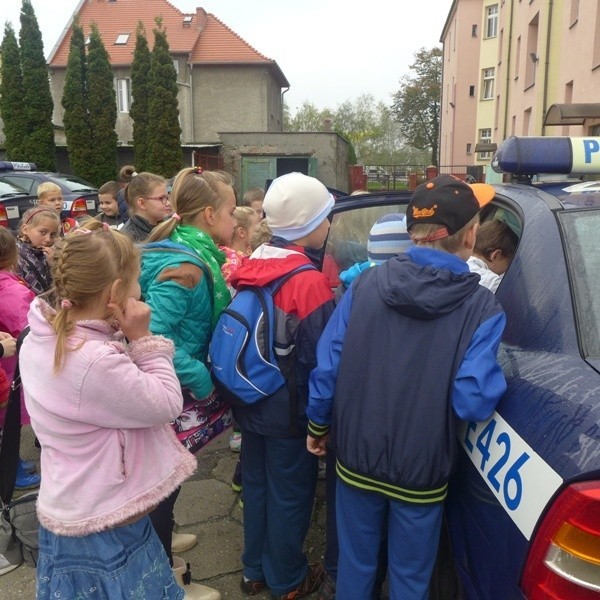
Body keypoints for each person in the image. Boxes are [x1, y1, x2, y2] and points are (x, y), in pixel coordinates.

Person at [306, 174, 507, 599]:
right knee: (411, 577)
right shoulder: (482, 307)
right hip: (423, 469)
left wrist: (318, 427)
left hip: (356, 457)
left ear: (412, 231)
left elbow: (328, 367)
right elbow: (471, 401)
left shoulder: (363, 285)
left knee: (356, 565)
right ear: (470, 236)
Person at [19, 221, 198, 599]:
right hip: (105, 518)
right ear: (117, 291)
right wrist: (143, 339)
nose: (141, 290)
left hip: (76, 499)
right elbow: (166, 402)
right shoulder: (93, 361)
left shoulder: (46, 336)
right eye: (136, 281)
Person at [230, 172, 335, 599]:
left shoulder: (254, 262)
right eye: (327, 215)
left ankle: (254, 569)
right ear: (309, 224)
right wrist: (320, 421)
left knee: (256, 486)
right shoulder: (308, 281)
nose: (330, 225)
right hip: (289, 410)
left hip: (251, 394)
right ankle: (288, 579)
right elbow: (321, 362)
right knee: (291, 494)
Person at [139, 166, 237, 600]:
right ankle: (166, 581)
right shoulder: (185, 266)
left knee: (171, 480)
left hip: (178, 385)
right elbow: (153, 336)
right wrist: (199, 378)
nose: (238, 221)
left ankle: (166, 535)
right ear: (211, 214)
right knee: (161, 483)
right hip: (173, 387)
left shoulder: (199, 254)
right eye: (234, 212)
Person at [318, 212, 413, 599]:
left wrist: (317, 424)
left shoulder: (352, 290)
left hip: (355, 438)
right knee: (409, 553)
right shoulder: (449, 297)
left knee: (355, 539)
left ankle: (340, 580)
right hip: (415, 447)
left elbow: (329, 365)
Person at [0, 227, 39, 490]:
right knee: (7, 424)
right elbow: (28, 327)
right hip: (9, 369)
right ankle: (10, 471)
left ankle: (12, 461)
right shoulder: (12, 291)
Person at [16, 207, 61, 296]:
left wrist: (54, 263)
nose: (48, 239)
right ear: (25, 229)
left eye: (52, 235)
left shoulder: (48, 253)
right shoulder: (16, 256)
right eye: (43, 232)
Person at [467, 219, 518, 292]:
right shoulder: (492, 283)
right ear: (496, 255)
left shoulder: (458, 260)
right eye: (508, 264)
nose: (505, 271)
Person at [121, 172, 170, 243]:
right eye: (161, 198)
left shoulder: (168, 227)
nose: (168, 203)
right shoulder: (127, 239)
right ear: (142, 203)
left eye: (167, 197)